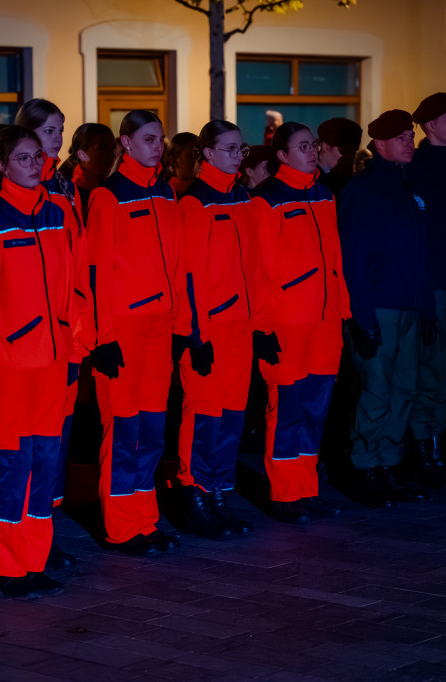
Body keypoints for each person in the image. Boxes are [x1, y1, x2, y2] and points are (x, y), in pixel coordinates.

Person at [0, 125, 79, 599]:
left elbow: (73, 290)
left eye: (38, 157)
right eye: (23, 158)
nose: (34, 165)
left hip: (54, 363)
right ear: (3, 166)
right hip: (10, 366)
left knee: (46, 463)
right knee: (12, 464)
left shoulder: (56, 214)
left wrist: (74, 351)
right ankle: (8, 563)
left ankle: (35, 557)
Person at [86, 110, 182, 554]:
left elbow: (179, 264)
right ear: (125, 144)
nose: (157, 146)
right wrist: (102, 337)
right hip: (123, 332)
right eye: (147, 139)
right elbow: (97, 271)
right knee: (123, 430)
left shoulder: (165, 192)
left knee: (152, 429)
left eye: (159, 138)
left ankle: (145, 516)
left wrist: (180, 323)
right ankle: (121, 525)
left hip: (160, 329)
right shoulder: (109, 196)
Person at [252, 122, 350, 523]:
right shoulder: (267, 200)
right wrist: (263, 326)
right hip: (289, 323)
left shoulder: (323, 194)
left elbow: (335, 262)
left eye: (314, 145)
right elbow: (258, 269)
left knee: (315, 410)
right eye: (303, 146)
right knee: (287, 410)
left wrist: (343, 310)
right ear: (281, 155)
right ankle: (285, 493)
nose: (312, 151)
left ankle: (305, 488)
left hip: (326, 322)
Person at [174, 120, 266, 539]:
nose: (237, 155)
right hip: (210, 331)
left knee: (231, 417)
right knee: (204, 417)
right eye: (229, 148)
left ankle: (220, 494)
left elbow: (254, 268)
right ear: (207, 154)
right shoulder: (195, 203)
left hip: (241, 328)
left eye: (240, 148)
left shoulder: (242, 198)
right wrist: (194, 334)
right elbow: (188, 275)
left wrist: (260, 323)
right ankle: (195, 496)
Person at [15, 99, 96, 570]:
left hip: (66, 330)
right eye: (49, 129)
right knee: (25, 444)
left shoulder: (64, 184)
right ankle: (20, 531)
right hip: (29, 338)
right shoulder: (21, 185)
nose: (57, 138)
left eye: (61, 129)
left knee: (56, 441)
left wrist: (82, 330)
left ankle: (46, 526)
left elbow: (76, 261)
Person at [340, 110, 433, 508]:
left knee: (405, 387)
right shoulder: (363, 190)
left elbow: (420, 254)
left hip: (408, 305)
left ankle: (389, 462)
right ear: (379, 145)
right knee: (376, 390)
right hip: (380, 306)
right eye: (402, 137)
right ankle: (366, 466)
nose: (411, 142)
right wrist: (363, 317)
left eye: (411, 136)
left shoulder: (406, 185)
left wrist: (426, 307)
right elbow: (353, 258)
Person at [405, 92, 446, 489]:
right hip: (434, 287)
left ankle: (435, 448)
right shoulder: (421, 170)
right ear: (429, 125)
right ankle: (421, 452)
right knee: (430, 371)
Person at [60, 122, 115, 216]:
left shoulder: (110, 186)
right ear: (82, 155)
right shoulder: (73, 194)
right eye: (102, 147)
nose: (111, 154)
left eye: (113, 148)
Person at [316, 118, 362, 196]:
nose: (349, 158)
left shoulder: (349, 177)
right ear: (326, 146)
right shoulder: (307, 177)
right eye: (344, 151)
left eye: (354, 152)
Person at [165, 131, 201, 196]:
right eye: (194, 154)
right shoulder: (164, 194)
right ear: (173, 161)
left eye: (201, 154)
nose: (200, 159)